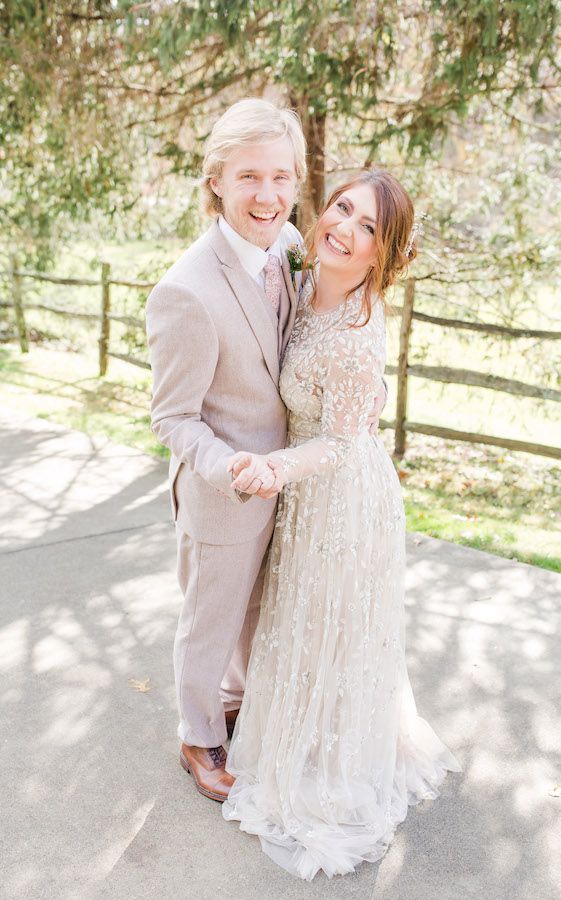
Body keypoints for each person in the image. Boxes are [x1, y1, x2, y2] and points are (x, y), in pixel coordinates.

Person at [222, 170, 461, 880]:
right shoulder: (299, 263)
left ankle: (324, 762)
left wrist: (274, 470)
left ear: (381, 257)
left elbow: (343, 443)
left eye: (367, 230)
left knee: (325, 629)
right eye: (343, 209)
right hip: (305, 491)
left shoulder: (356, 338)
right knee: (295, 620)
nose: (345, 229)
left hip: (340, 499)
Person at [145, 98, 385, 803]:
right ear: (216, 179)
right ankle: (198, 736)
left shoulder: (286, 251)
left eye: (282, 177)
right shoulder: (184, 291)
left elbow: (329, 337)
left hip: (295, 485)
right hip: (228, 494)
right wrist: (230, 470)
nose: (269, 194)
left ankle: (239, 702)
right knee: (210, 619)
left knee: (257, 614)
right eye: (250, 176)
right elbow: (172, 417)